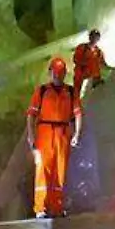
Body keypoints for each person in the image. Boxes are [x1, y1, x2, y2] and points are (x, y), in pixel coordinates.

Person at [26, 57, 83, 218]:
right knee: (43, 169)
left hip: (63, 132)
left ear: (65, 73)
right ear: (50, 72)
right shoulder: (42, 91)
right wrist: (31, 137)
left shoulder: (71, 92)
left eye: (60, 73)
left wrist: (77, 134)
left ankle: (56, 206)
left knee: (60, 169)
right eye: (55, 73)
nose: (57, 76)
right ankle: (40, 207)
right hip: (45, 132)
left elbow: (78, 114)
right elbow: (31, 115)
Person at [72, 29, 106, 96]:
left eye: (96, 37)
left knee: (91, 95)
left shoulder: (99, 52)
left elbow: (103, 64)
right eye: (92, 36)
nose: (94, 38)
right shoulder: (81, 47)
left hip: (92, 78)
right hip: (81, 75)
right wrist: (87, 63)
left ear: (98, 39)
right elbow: (75, 59)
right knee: (76, 93)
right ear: (89, 37)